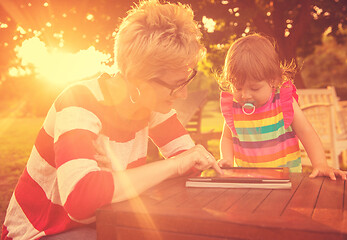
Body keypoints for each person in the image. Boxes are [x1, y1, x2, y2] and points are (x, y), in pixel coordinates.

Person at [1, 1, 222, 239]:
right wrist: (173, 165)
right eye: (176, 85)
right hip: (44, 230)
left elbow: (189, 164)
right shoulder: (79, 101)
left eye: (186, 80)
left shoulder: (152, 104)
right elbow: (81, 199)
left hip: (108, 219)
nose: (183, 94)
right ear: (139, 81)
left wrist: (186, 164)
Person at [217, 33, 347, 180]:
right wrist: (227, 160)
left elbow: (306, 132)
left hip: (286, 181)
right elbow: (227, 138)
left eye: (255, 88)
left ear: (273, 81)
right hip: (249, 181)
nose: (245, 95)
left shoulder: (283, 102)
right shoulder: (234, 107)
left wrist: (320, 164)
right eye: (237, 88)